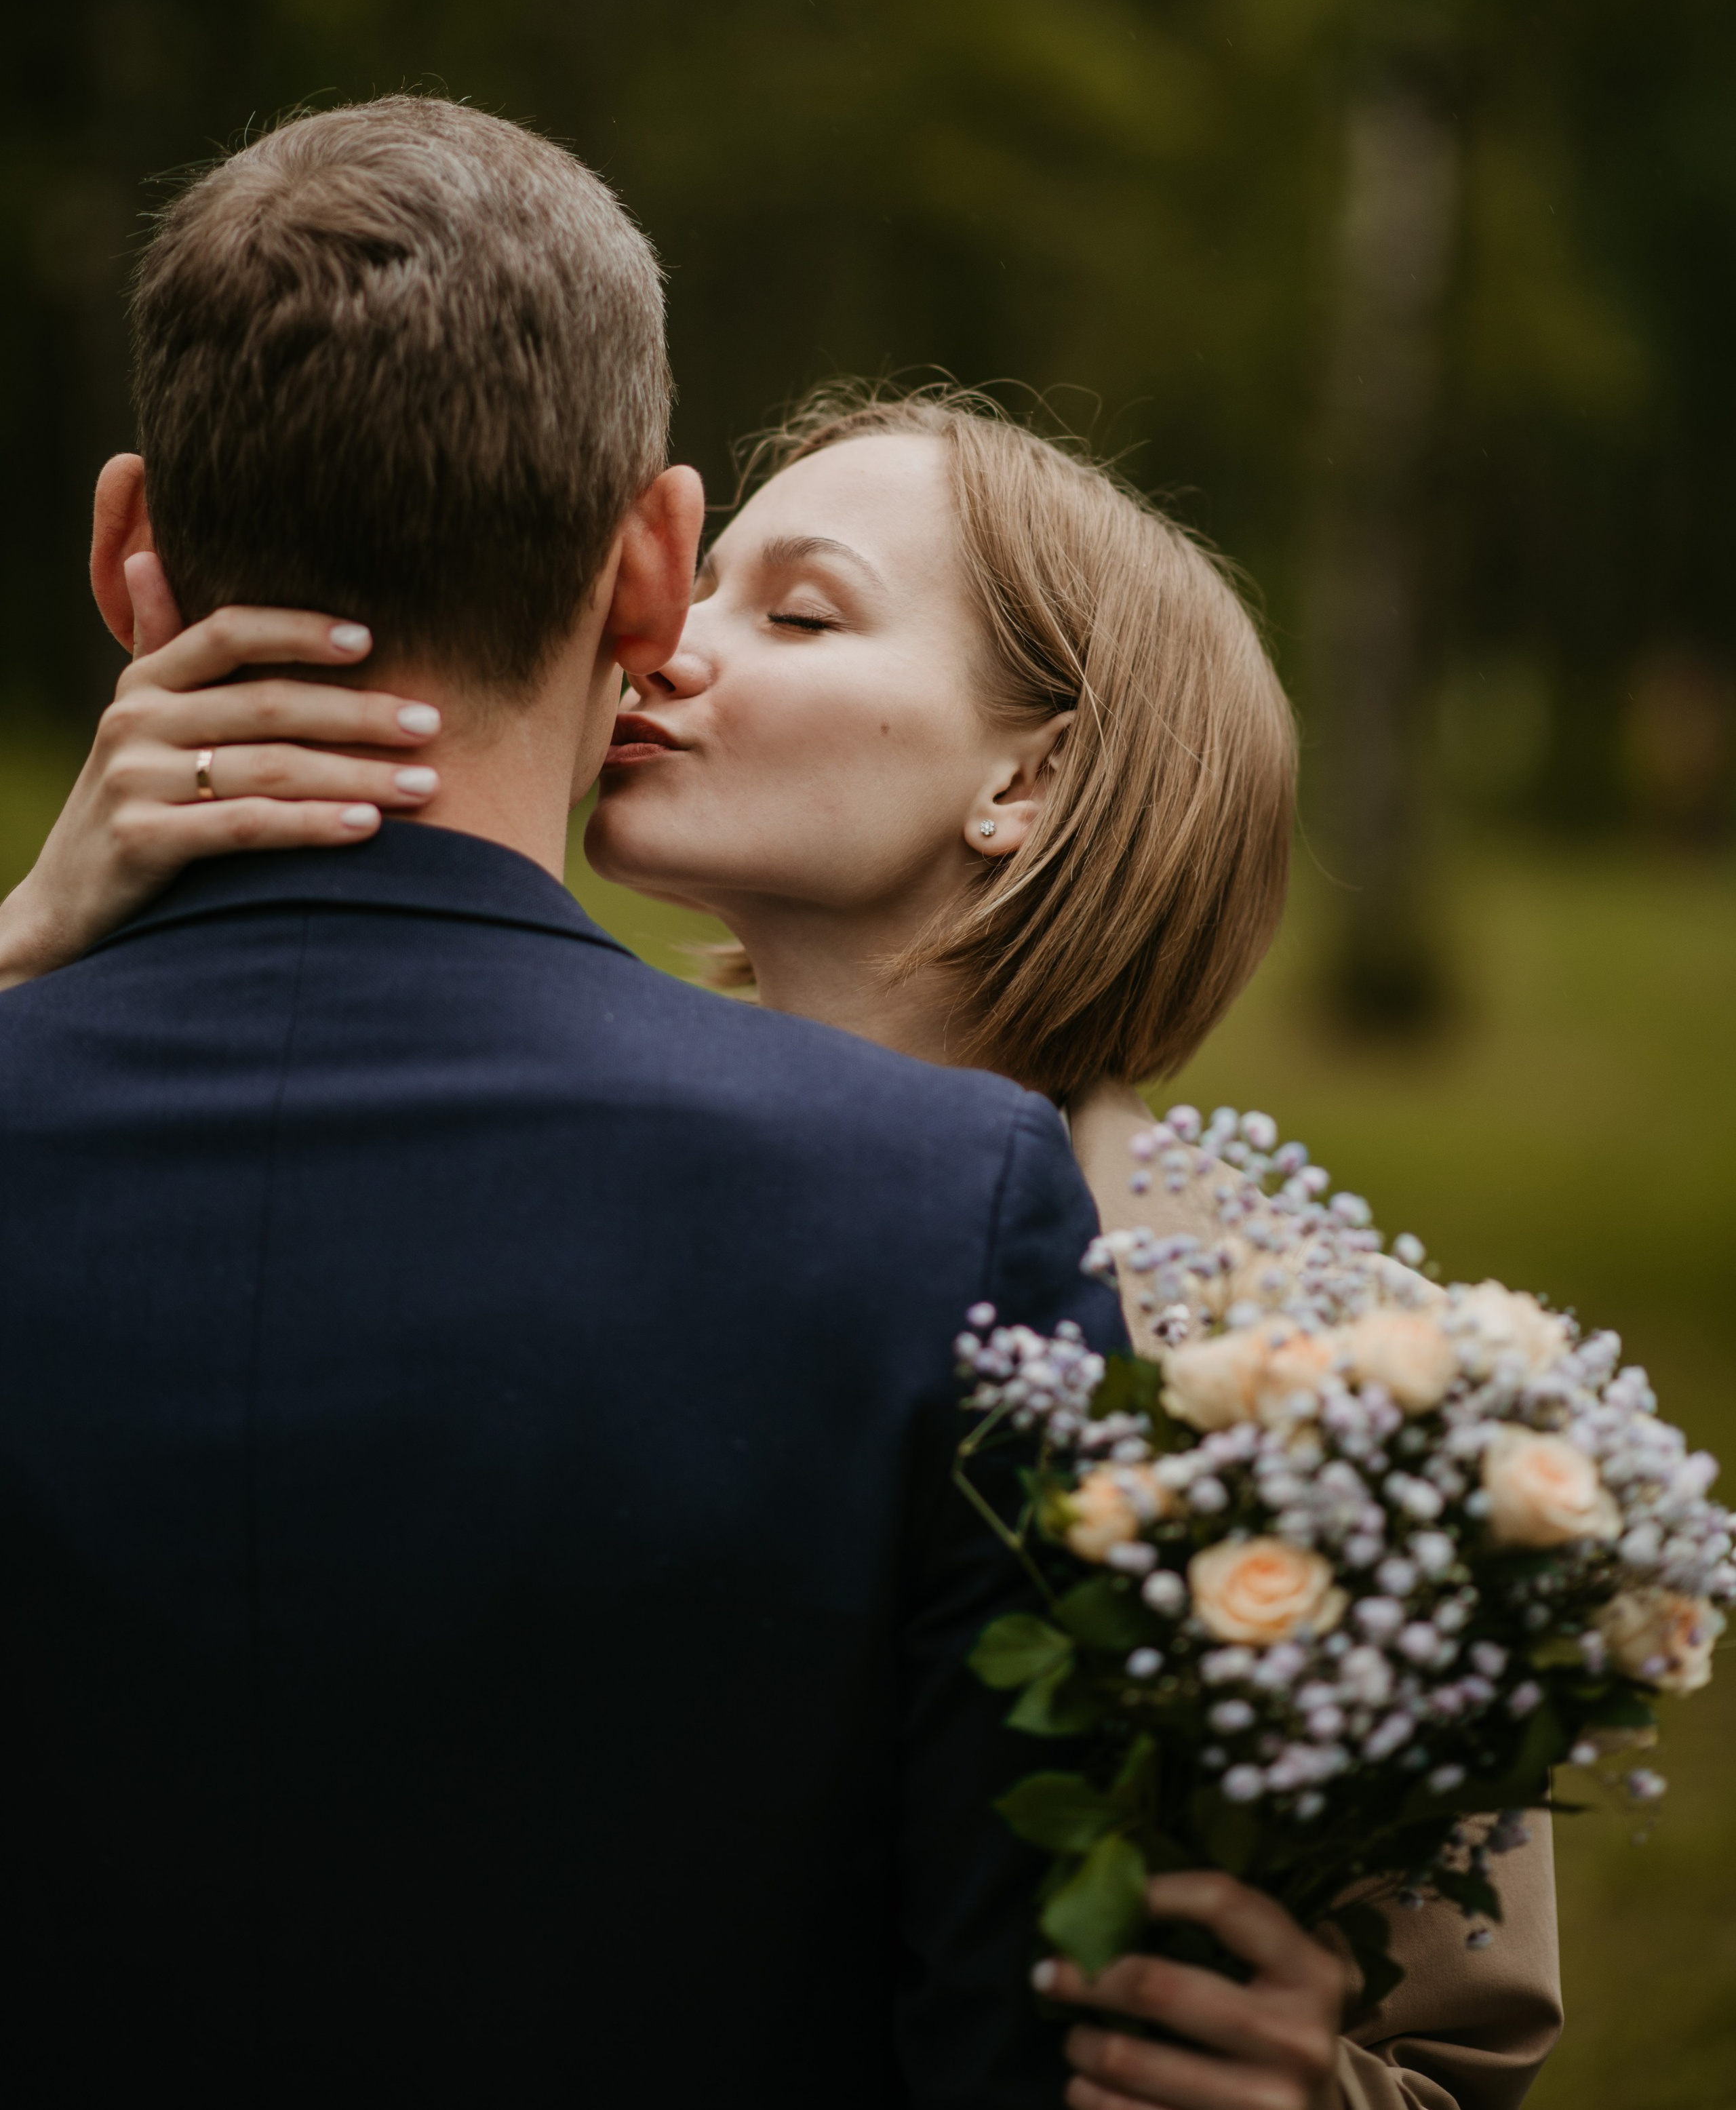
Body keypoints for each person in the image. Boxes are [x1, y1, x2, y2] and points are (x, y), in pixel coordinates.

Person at [0, 133, 1560, 2107]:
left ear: (1028, 779)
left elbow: (1457, 2033)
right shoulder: (513, 1143)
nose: (670, 647)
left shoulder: (1316, 1371)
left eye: (802, 615)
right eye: (701, 577)